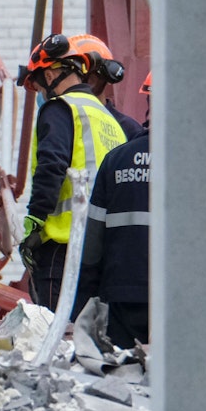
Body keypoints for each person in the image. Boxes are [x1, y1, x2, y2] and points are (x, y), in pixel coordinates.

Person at [18, 34, 130, 312]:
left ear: (54, 72)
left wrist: (35, 221)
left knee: (57, 327)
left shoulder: (60, 109)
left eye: (41, 84)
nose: (43, 94)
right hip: (104, 248)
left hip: (63, 245)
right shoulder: (110, 120)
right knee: (89, 330)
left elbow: (51, 165)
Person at [72, 113, 151, 348]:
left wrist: (80, 307)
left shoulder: (116, 159)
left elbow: (92, 247)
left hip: (123, 294)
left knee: (125, 373)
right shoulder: (198, 163)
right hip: (180, 296)